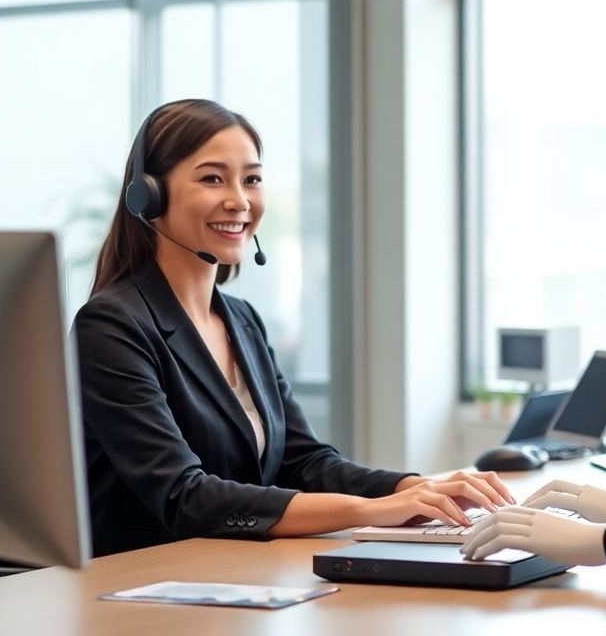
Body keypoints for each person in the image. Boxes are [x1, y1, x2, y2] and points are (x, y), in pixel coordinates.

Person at [75, 98, 511, 557]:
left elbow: (304, 461)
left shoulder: (241, 320)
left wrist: (416, 488)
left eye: (252, 179)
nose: (240, 201)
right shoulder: (111, 326)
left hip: (235, 573)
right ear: (149, 195)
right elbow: (185, 496)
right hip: (145, 582)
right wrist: (369, 511)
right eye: (212, 179)